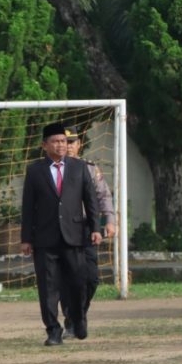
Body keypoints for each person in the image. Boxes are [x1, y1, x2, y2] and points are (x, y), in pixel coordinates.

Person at [20, 122, 101, 346]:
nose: (61, 145)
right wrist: (26, 238)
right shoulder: (35, 171)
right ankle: (53, 331)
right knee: (48, 288)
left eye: (64, 141)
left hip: (75, 236)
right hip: (45, 238)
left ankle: (78, 318)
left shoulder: (79, 167)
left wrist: (95, 228)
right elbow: (28, 206)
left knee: (78, 282)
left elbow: (90, 200)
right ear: (44, 145)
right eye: (55, 141)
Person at [63, 127, 116, 331]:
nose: (68, 147)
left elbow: (104, 196)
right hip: (63, 229)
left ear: (79, 145)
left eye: (72, 142)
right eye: (64, 142)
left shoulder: (90, 169)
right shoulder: (53, 170)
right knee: (67, 277)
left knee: (91, 278)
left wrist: (110, 221)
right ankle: (72, 317)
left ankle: (77, 315)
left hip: (86, 229)